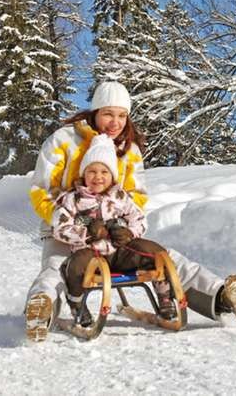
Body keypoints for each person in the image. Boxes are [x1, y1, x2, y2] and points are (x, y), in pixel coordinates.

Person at [24, 81, 236, 341]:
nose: (115, 122)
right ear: (95, 112)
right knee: (57, 269)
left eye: (122, 115)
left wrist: (123, 227)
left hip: (114, 233)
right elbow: (42, 189)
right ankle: (41, 310)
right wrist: (77, 224)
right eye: (108, 114)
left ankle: (220, 296)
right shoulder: (64, 140)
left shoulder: (128, 149)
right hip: (67, 229)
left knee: (165, 258)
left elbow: (136, 196)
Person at [54, 134, 176, 327]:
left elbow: (140, 219)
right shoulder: (73, 199)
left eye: (104, 172)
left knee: (155, 251)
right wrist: (86, 233)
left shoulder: (120, 196)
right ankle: (77, 305)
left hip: (120, 252)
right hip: (90, 254)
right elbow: (60, 228)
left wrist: (130, 233)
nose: (98, 177)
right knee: (75, 266)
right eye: (92, 171)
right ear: (84, 174)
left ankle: (165, 298)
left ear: (112, 175)